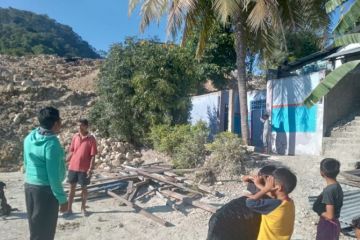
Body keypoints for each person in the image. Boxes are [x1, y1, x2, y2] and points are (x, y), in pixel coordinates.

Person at [23, 107, 68, 240]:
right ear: (55, 124)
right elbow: (53, 177)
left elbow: (26, 162)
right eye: (60, 121)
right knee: (46, 233)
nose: (61, 123)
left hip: (30, 188)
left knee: (36, 229)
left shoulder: (30, 137)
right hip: (46, 192)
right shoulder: (51, 144)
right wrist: (62, 199)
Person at [246, 167, 297, 240]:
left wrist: (266, 189)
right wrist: (259, 185)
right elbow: (273, 196)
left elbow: (250, 202)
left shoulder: (274, 205)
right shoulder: (290, 202)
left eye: (270, 181)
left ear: (278, 187)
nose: (268, 183)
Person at [66, 119, 97, 216]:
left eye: (81, 125)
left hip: (84, 168)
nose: (79, 127)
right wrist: (65, 160)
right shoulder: (75, 137)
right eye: (78, 125)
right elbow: (72, 151)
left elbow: (93, 155)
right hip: (73, 166)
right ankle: (69, 209)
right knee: (72, 188)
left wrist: (90, 169)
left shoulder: (91, 139)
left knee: (84, 188)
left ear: (86, 126)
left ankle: (83, 209)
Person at [313, 158, 343, 240]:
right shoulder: (337, 186)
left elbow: (330, 215)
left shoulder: (328, 191)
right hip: (334, 225)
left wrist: (318, 210)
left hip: (328, 225)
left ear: (322, 172)